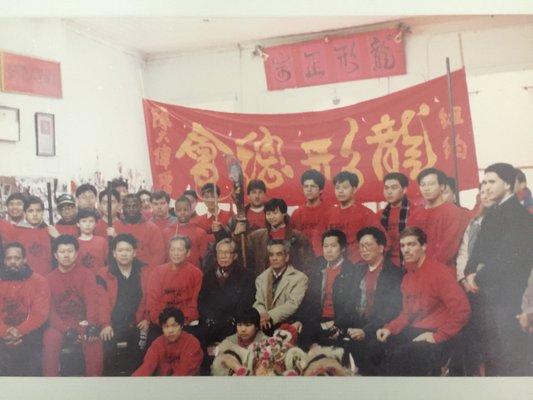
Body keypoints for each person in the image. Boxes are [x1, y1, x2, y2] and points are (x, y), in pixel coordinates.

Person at [464, 163, 533, 375]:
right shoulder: (493, 213)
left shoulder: (520, 216)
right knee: (493, 353)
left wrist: (478, 276)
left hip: (509, 296)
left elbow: (508, 258)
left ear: (509, 184)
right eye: (485, 182)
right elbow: (477, 250)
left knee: (510, 355)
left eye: (492, 181)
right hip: (487, 294)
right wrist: (468, 273)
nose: (487, 186)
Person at [374, 227, 470, 376]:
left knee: (399, 356)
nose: (406, 250)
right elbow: (406, 313)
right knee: (374, 347)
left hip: (438, 335)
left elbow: (462, 311)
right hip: (416, 330)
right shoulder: (407, 278)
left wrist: (437, 336)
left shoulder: (440, 273)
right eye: (403, 245)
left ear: (424, 246)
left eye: (412, 244)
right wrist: (389, 328)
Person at [43, 235, 103, 376]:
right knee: (50, 338)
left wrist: (91, 325)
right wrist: (65, 329)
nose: (66, 255)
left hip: (82, 322)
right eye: (62, 252)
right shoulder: (48, 279)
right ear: (55, 255)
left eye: (70, 251)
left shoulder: (87, 274)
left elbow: (92, 302)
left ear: (76, 254)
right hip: (59, 324)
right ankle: (50, 384)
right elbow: (49, 311)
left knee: (93, 340)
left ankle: (94, 385)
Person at [96, 234, 150, 376]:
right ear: (114, 253)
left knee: (139, 357)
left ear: (134, 252)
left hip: (137, 323)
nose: (124, 254)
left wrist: (147, 319)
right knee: (109, 356)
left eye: (128, 250)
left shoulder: (145, 272)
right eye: (120, 250)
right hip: (113, 324)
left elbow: (151, 298)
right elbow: (101, 303)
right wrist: (105, 324)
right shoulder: (103, 274)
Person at [296, 229, 358, 350]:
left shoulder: (351, 271)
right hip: (317, 320)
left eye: (333, 246)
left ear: (343, 248)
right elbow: (308, 298)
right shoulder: (318, 268)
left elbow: (351, 305)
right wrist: (300, 320)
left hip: (338, 321)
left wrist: (338, 325)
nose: (328, 250)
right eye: (325, 246)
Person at [0, 242, 50, 376]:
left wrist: (20, 331)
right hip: (2, 334)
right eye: (9, 258)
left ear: (24, 259)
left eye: (17, 258)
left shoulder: (39, 281)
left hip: (29, 334)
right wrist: (5, 332)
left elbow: (40, 314)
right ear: (4, 261)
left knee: (31, 365)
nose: (13, 262)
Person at [198, 238, 256, 348]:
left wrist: (229, 320)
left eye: (227, 253)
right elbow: (202, 301)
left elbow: (246, 303)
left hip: (232, 324)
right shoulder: (208, 274)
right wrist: (209, 317)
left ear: (235, 256)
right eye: (220, 253)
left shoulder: (246, 276)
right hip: (211, 322)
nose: (223, 256)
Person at [409, 168, 470, 268]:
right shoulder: (415, 215)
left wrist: (426, 268)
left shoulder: (454, 213)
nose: (426, 188)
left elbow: (448, 249)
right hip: (415, 270)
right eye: (423, 185)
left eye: (431, 184)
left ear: (442, 187)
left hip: (443, 270)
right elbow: (408, 244)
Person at [146, 236, 203, 342]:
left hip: (184, 323)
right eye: (172, 249)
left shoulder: (196, 274)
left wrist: (179, 323)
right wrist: (164, 323)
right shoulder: (157, 272)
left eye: (180, 250)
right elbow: (152, 303)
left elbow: (194, 304)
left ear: (188, 252)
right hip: (162, 324)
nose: (175, 253)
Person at [323, 171, 382, 263]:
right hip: (336, 264)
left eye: (345, 187)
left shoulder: (366, 213)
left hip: (359, 264)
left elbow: (380, 239)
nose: (340, 191)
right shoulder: (329, 214)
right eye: (337, 187)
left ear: (354, 189)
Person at [253, 239, 308, 335]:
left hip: (287, 325)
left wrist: (269, 315)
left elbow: (292, 304)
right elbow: (259, 302)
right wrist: (262, 314)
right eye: (271, 255)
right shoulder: (261, 278)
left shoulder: (300, 278)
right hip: (263, 324)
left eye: (279, 254)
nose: (274, 258)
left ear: (286, 257)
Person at [246, 198, 313, 276]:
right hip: (265, 282)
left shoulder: (298, 237)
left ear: (284, 213)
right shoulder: (257, 237)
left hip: (291, 282)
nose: (271, 217)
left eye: (275, 213)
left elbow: (308, 264)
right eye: (268, 214)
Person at [133, 307, 203, 376]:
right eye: (166, 326)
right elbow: (147, 367)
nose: (170, 331)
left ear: (181, 326)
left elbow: (186, 371)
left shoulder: (192, 343)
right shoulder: (157, 344)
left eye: (174, 326)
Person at [112, 194, 165, 269]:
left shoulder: (152, 228)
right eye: (128, 206)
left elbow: (159, 256)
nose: (131, 209)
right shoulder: (115, 227)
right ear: (123, 208)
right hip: (121, 273)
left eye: (134, 206)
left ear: (140, 207)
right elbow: (111, 254)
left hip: (145, 273)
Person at [211, 308, 267, 376]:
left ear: (256, 327)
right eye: (239, 325)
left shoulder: (266, 343)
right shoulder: (229, 341)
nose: (243, 329)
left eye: (248, 325)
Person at [378, 172, 416, 267]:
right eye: (386, 188)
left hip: (409, 263)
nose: (389, 192)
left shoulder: (416, 211)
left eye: (394, 188)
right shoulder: (380, 215)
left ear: (404, 190)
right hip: (386, 265)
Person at [162, 196, 212, 268]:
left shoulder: (200, 233)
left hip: (192, 273)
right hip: (171, 273)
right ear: (175, 211)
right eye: (179, 210)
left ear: (191, 211)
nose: (182, 213)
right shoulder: (166, 232)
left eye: (185, 210)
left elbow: (203, 257)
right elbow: (164, 256)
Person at [9, 195, 53, 276]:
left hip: (47, 276)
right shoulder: (16, 231)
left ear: (43, 212)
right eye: (31, 211)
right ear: (25, 213)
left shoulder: (49, 231)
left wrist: (57, 237)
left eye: (38, 211)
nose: (35, 214)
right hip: (24, 277)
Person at [290, 169, 327, 255]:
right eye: (306, 186)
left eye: (313, 186)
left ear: (321, 190)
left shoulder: (330, 211)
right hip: (303, 258)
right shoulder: (297, 213)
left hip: (324, 258)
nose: (309, 190)